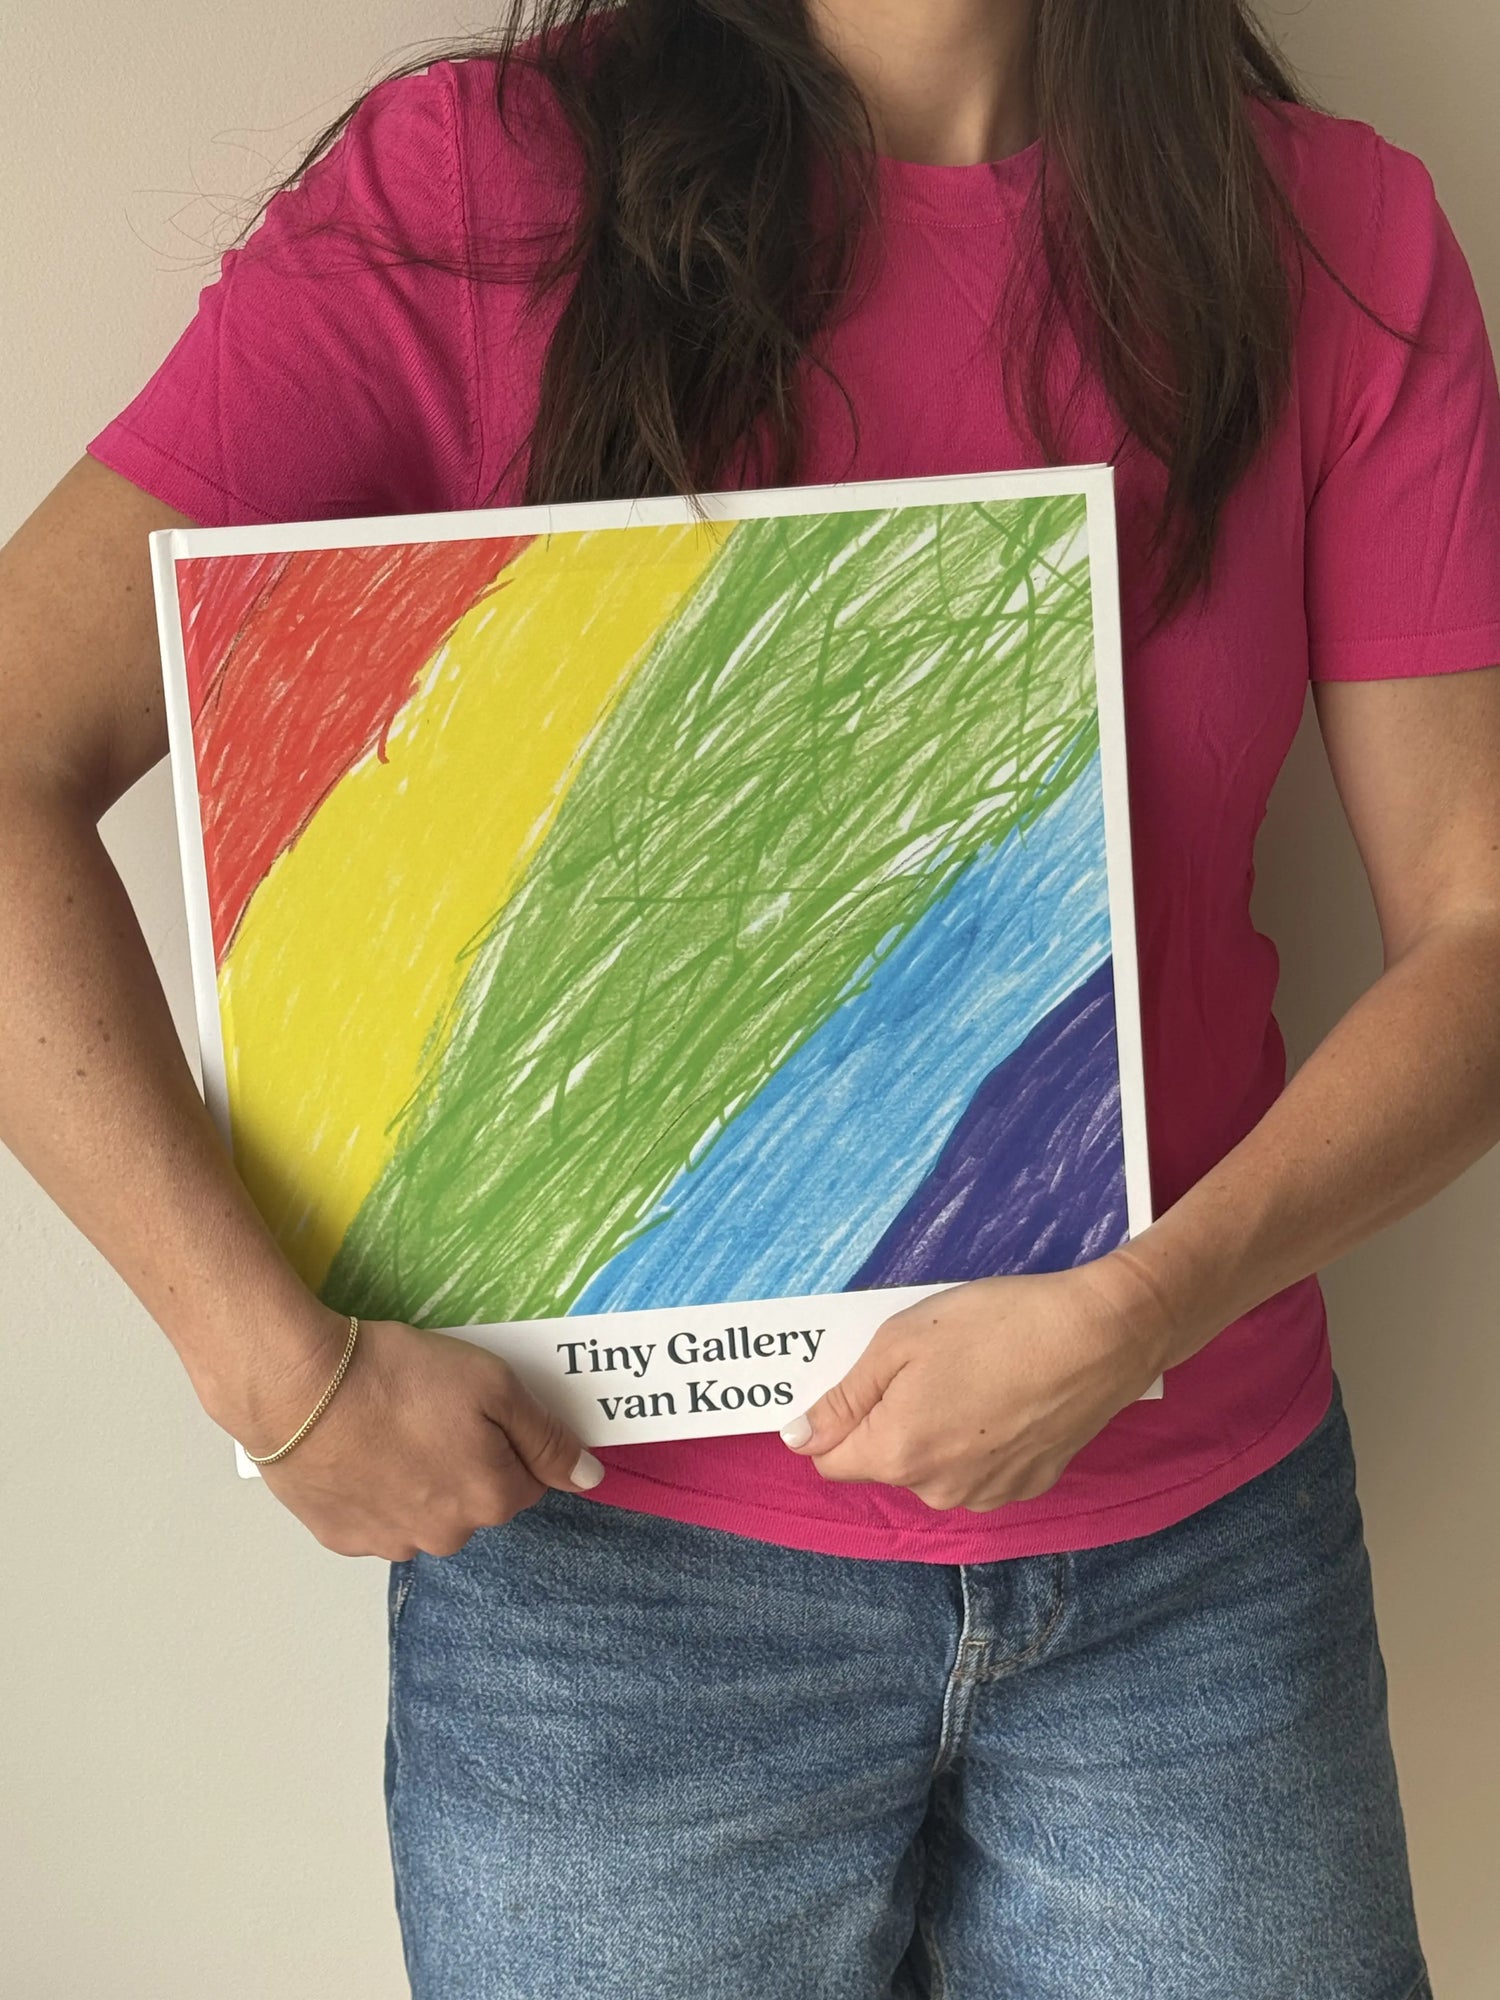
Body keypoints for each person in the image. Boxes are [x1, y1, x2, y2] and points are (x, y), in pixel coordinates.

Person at [3, 0, 1498, 1992]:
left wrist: (1145, 1303)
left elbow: (1481, 932)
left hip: (1194, 1575)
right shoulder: (479, 192)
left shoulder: (1337, 237)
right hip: (610, 1599)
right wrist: (271, 1371)